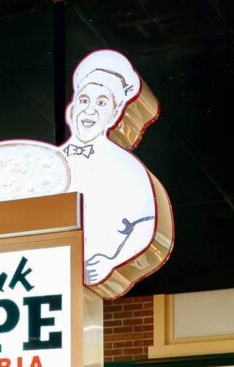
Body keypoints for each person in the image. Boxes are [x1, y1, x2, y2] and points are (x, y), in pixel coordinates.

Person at [59, 49, 172, 289]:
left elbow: (145, 223)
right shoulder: (50, 160)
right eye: (84, 100)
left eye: (101, 102)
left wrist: (112, 261)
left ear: (114, 114)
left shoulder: (127, 168)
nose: (89, 110)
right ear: (71, 109)